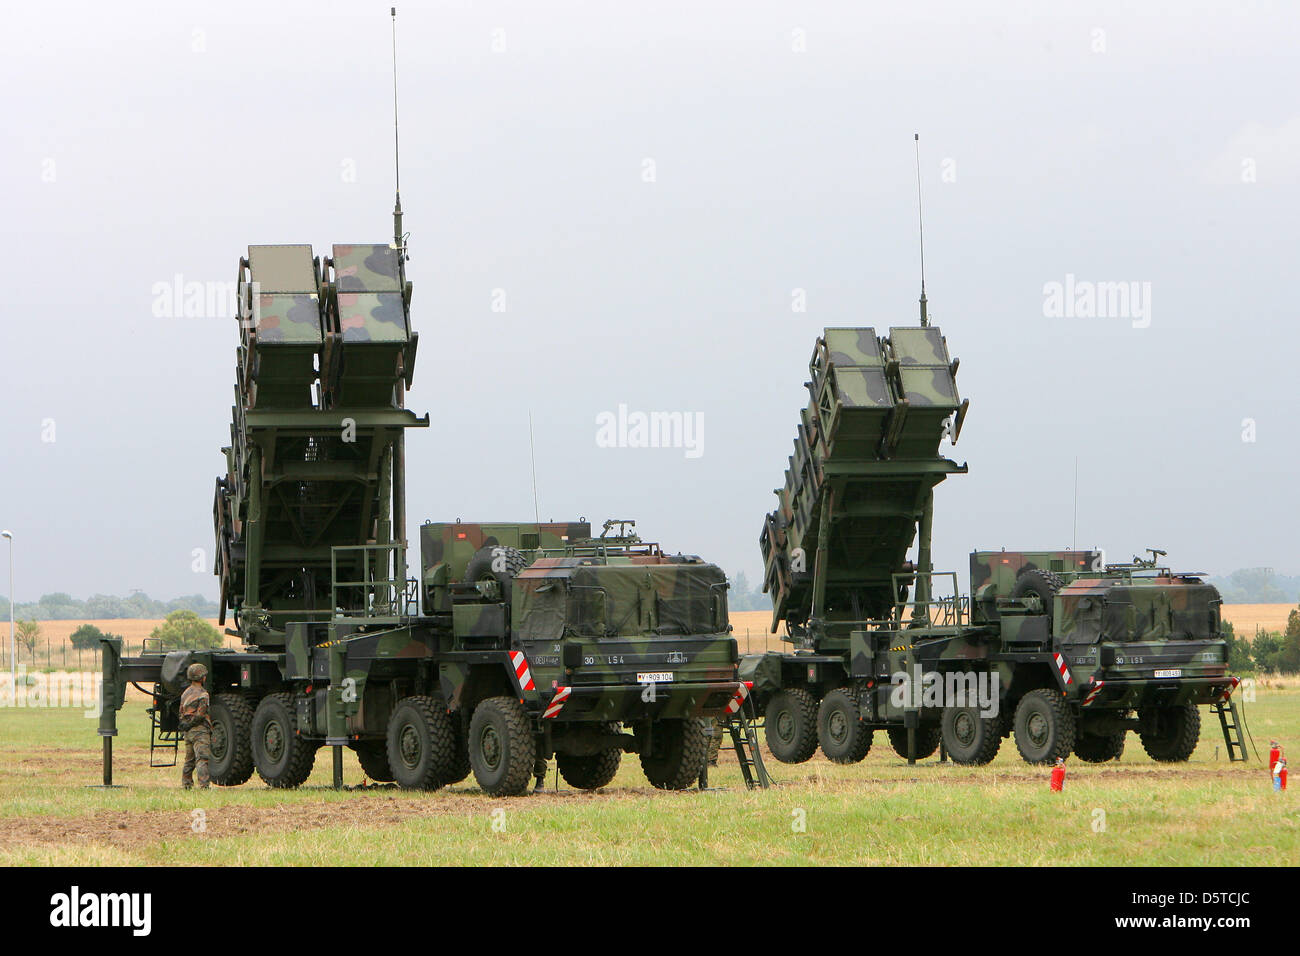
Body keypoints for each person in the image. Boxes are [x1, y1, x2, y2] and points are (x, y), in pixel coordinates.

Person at [179, 662, 212, 790]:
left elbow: (181, 712)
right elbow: (201, 714)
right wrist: (193, 723)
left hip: (188, 732)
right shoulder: (203, 694)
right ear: (202, 677)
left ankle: (186, 784)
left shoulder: (185, 693)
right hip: (200, 731)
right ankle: (204, 786)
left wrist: (186, 725)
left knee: (189, 760)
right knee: (202, 759)